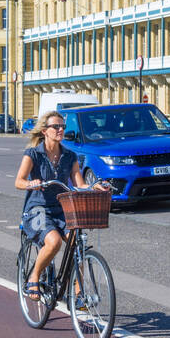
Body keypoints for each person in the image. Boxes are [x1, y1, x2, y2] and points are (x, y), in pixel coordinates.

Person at [13, 111, 106, 301]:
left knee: (77, 243)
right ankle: (34, 277)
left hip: (62, 208)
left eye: (63, 126)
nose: (61, 129)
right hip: (37, 210)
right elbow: (19, 181)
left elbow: (79, 184)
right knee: (54, 242)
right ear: (45, 131)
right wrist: (31, 183)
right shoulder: (33, 154)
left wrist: (93, 186)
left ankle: (79, 292)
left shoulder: (70, 156)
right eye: (56, 126)